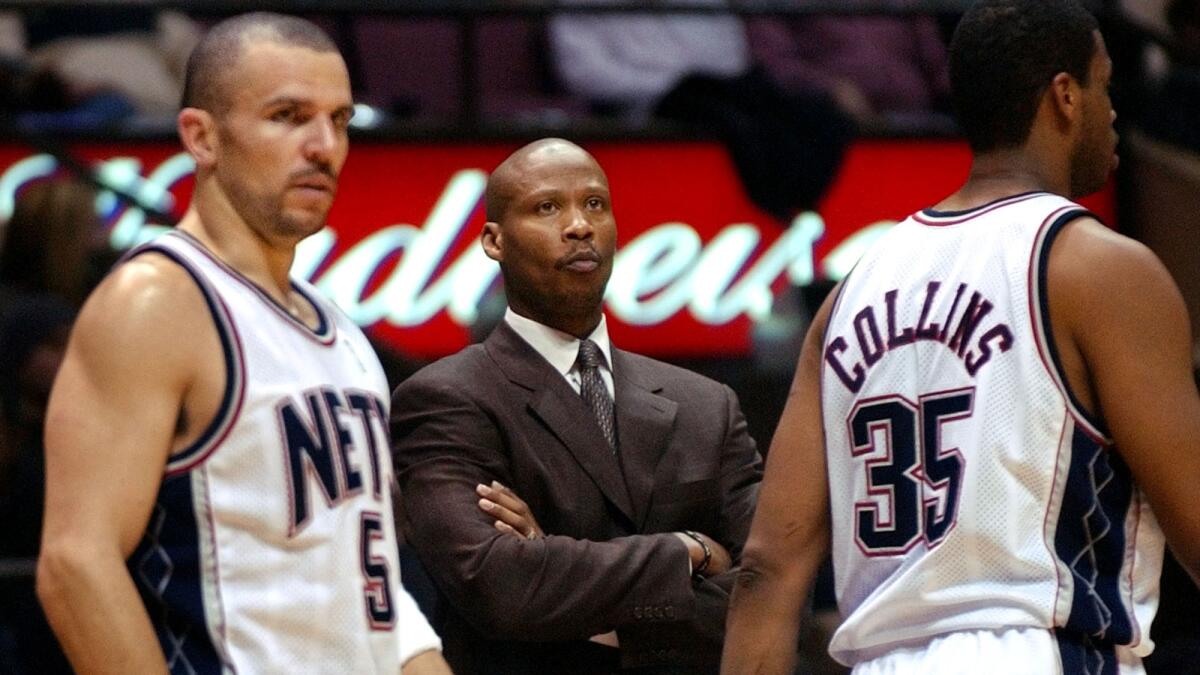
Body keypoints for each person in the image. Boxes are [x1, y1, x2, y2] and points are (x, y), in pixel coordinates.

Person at [722, 1, 1200, 673]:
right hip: (1039, 650)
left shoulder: (848, 294)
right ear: (1065, 97)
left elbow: (767, 567)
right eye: (1103, 84)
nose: (1113, 109)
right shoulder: (1099, 267)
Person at [35, 13, 450, 675]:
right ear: (202, 136)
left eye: (340, 120)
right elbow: (75, 565)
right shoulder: (157, 303)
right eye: (289, 115)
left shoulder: (341, 331)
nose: (323, 145)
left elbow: (371, 594)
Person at [391, 138, 763, 675]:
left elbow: (769, 591)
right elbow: (502, 588)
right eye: (547, 207)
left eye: (594, 204)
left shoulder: (708, 404)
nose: (579, 226)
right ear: (494, 241)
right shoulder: (446, 398)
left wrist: (554, 566)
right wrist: (689, 552)